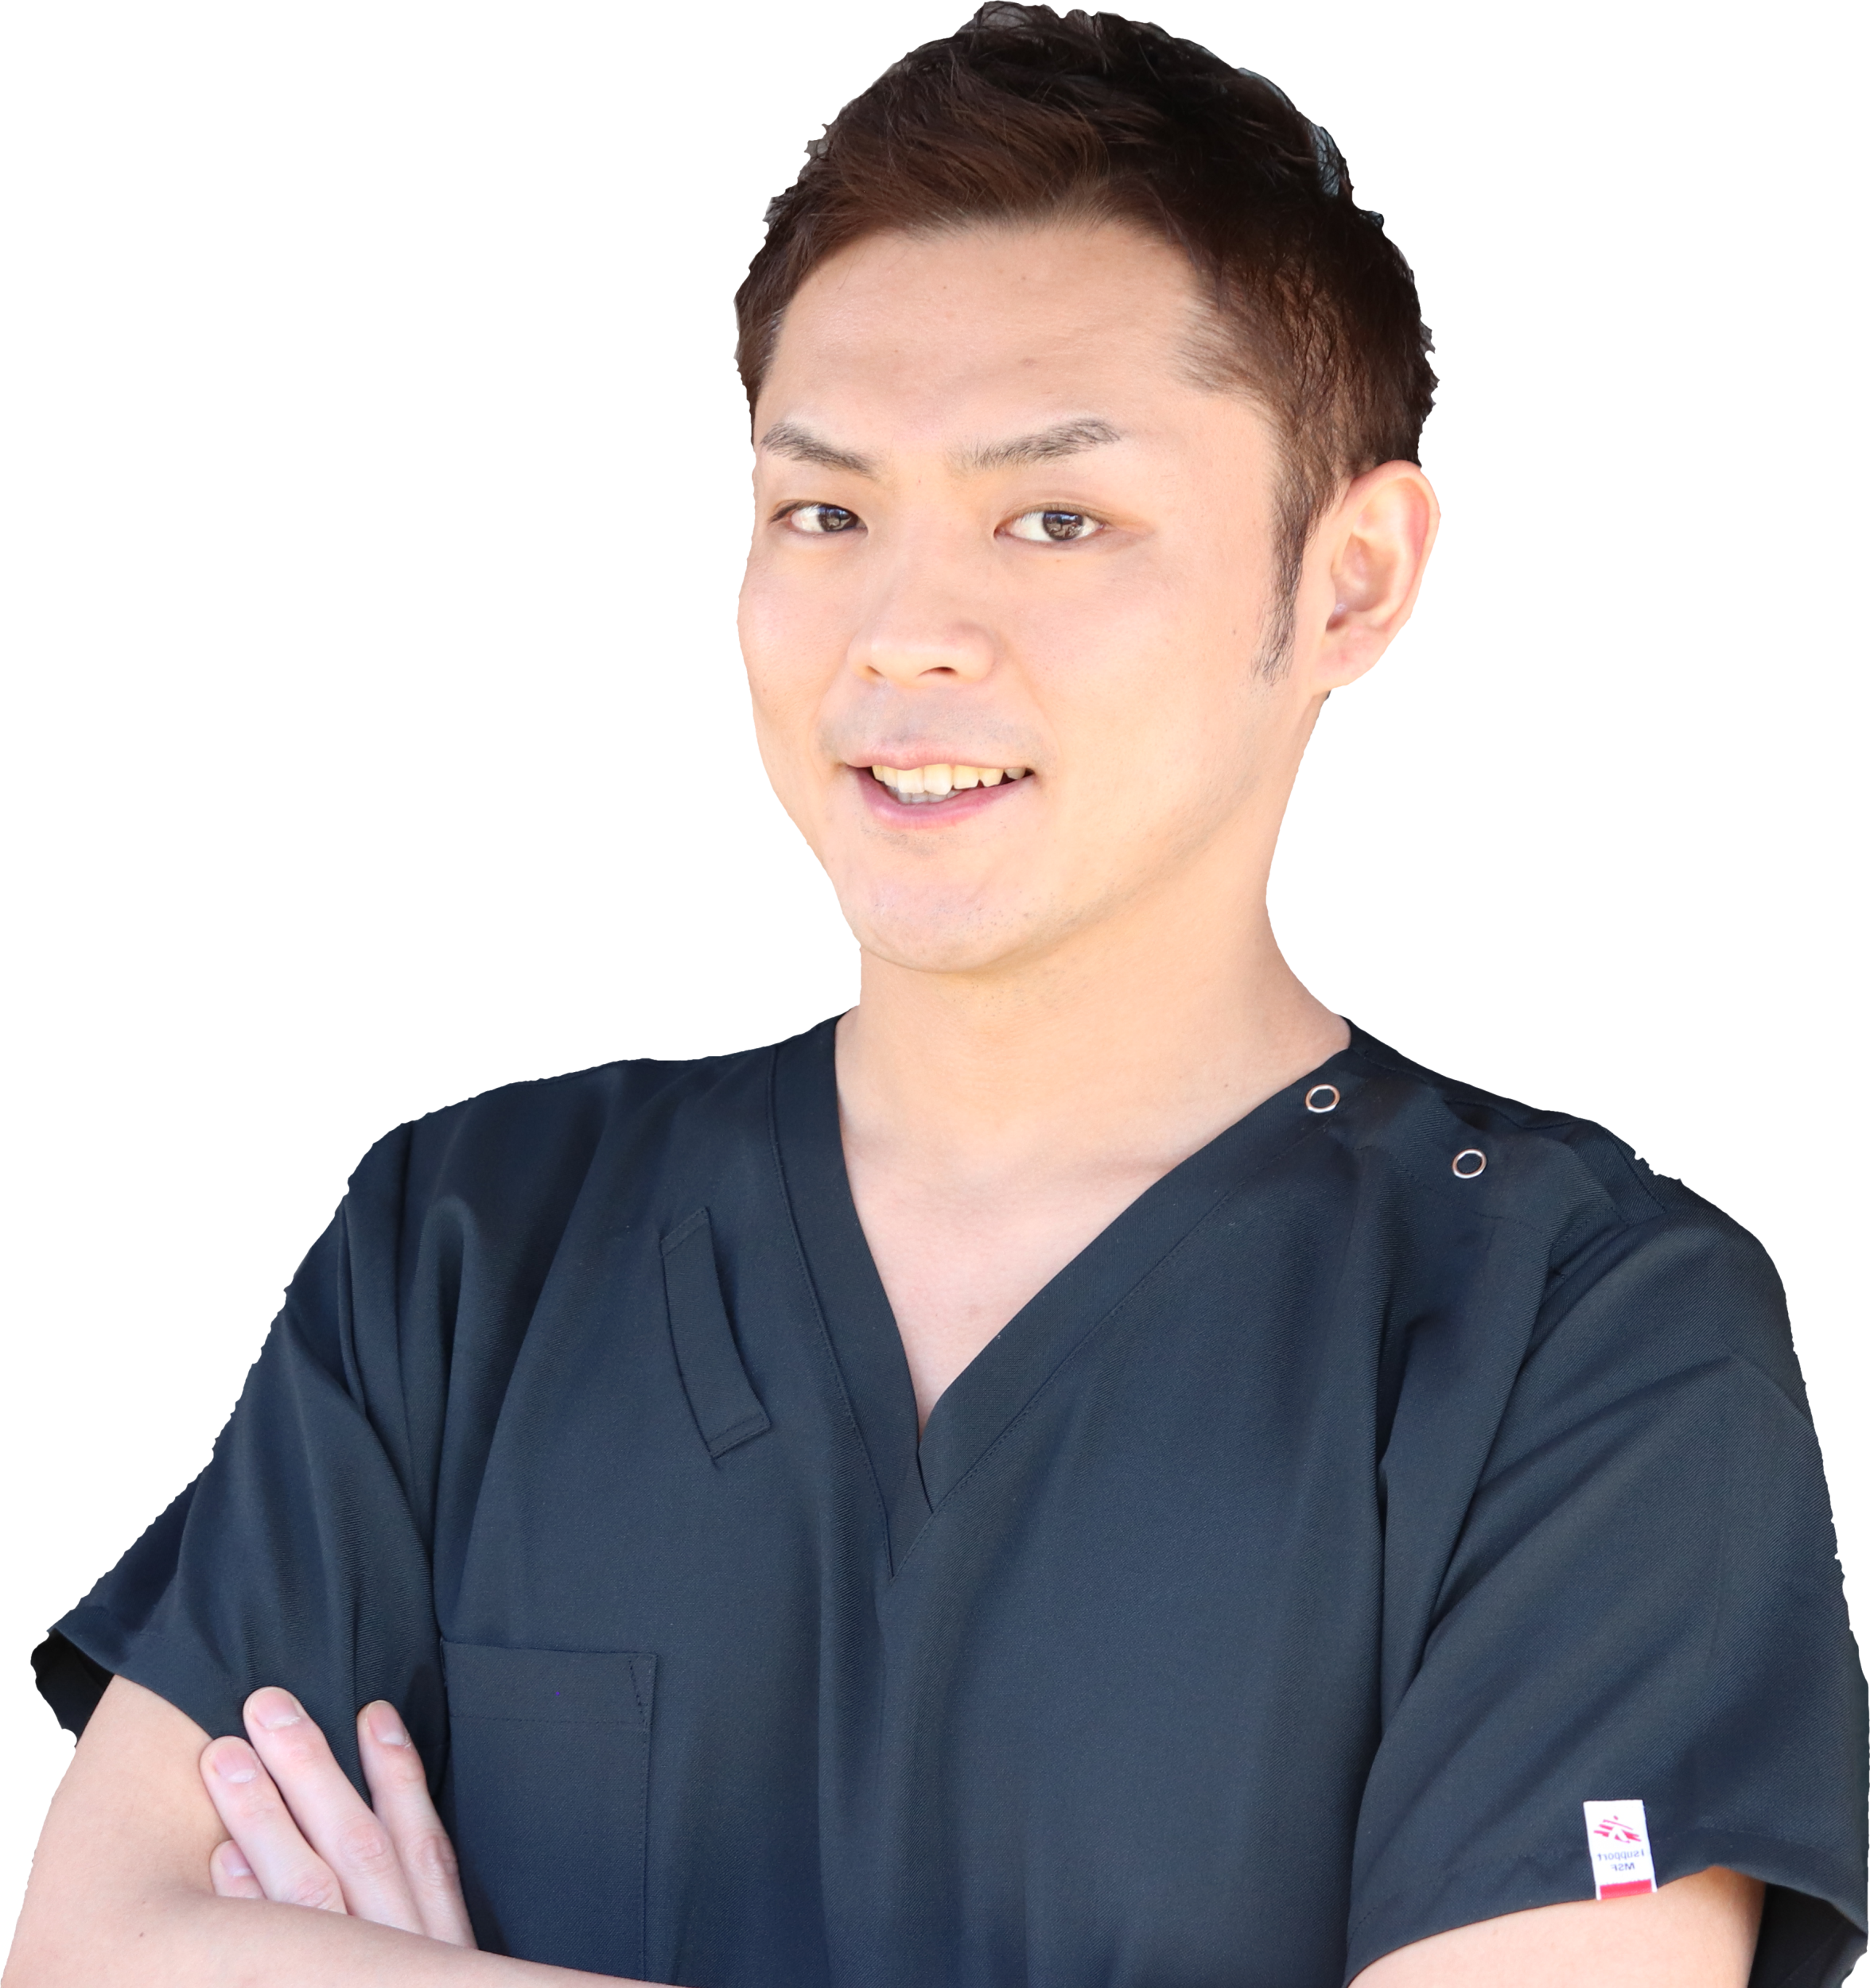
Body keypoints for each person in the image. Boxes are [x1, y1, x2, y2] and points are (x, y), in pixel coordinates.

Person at [6, 6, 1865, 1986]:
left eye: (1052, 518)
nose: (901, 632)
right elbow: (94, 1941)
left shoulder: (1579, 1338)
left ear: (1348, 578)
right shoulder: (468, 1252)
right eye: (823, 511)